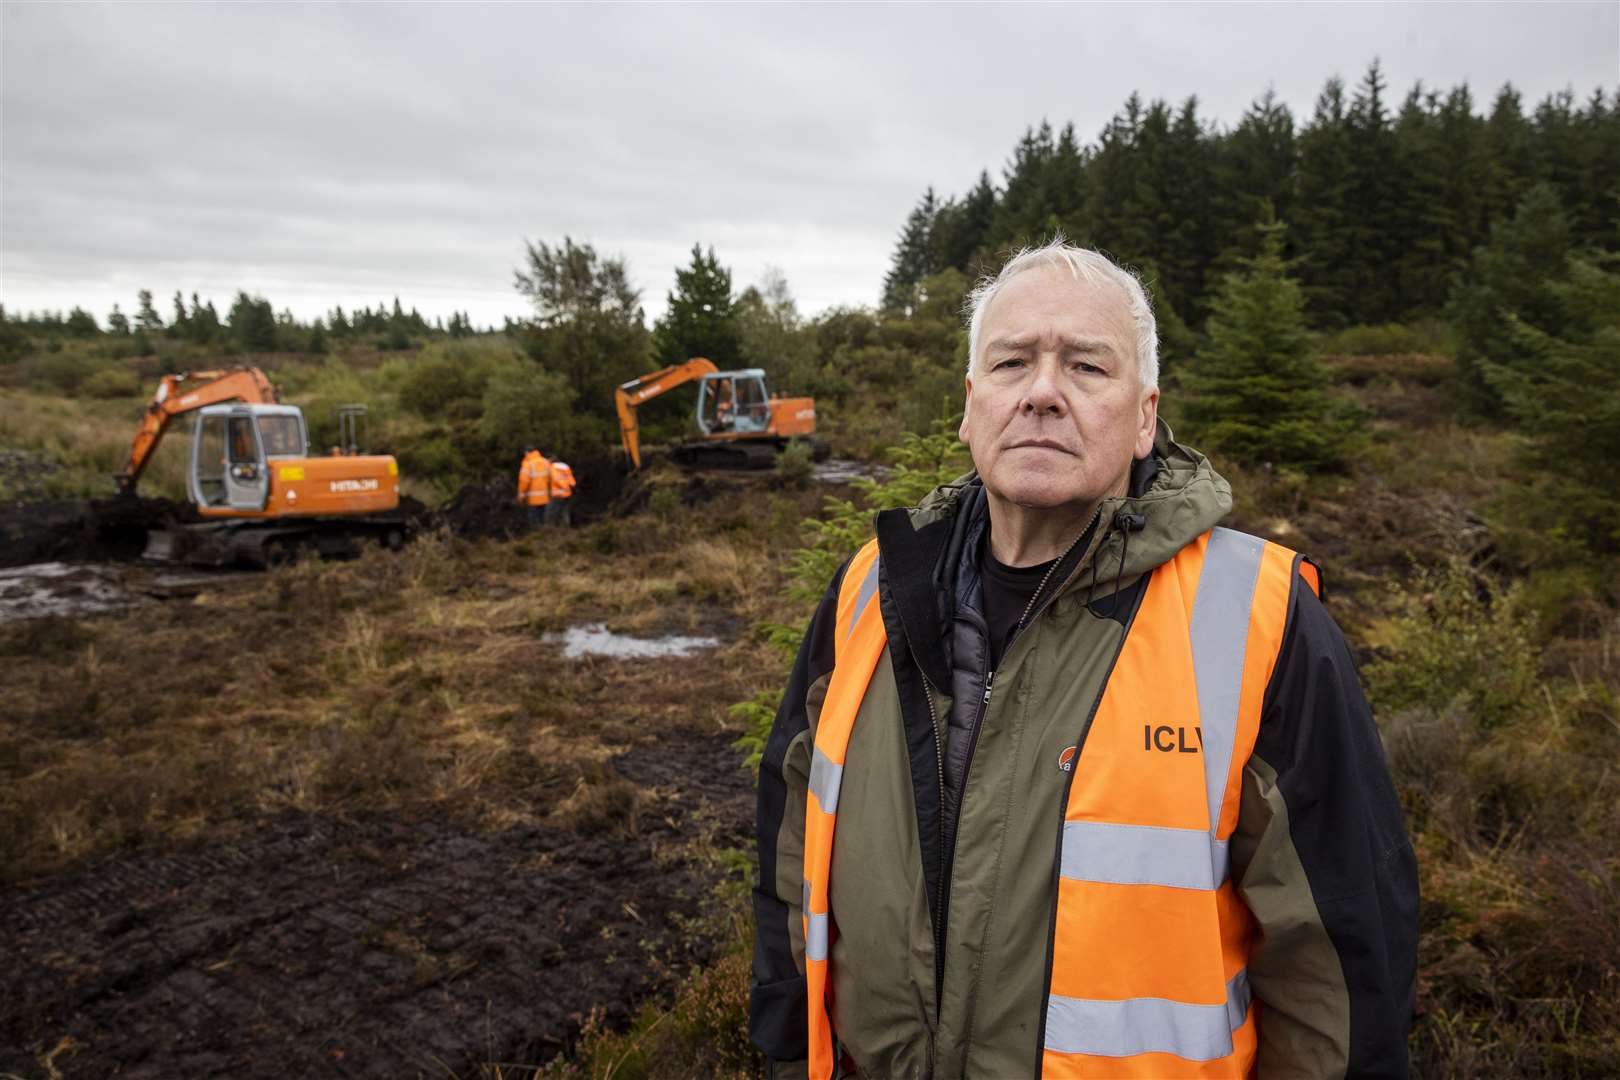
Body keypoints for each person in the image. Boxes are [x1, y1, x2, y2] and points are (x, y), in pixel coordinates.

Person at [750, 241, 1418, 1078]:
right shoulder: (868, 593)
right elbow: (788, 859)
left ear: (1144, 417)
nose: (1040, 393)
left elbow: (1342, 964)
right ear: (970, 406)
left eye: (1086, 367)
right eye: (1011, 362)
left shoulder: (1262, 620)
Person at [516, 445, 550, 529]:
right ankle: (545, 535)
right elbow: (551, 478)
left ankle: (535, 536)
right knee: (543, 518)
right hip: (545, 497)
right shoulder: (546, 462)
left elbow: (524, 481)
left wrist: (521, 495)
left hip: (533, 499)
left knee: (534, 520)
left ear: (527, 452)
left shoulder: (528, 464)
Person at [545, 456, 576, 527]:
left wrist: (564, 487)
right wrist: (569, 487)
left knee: (552, 511)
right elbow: (572, 481)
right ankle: (566, 527)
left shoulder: (552, 467)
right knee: (565, 511)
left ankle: (552, 528)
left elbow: (556, 479)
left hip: (558, 494)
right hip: (567, 494)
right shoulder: (565, 466)